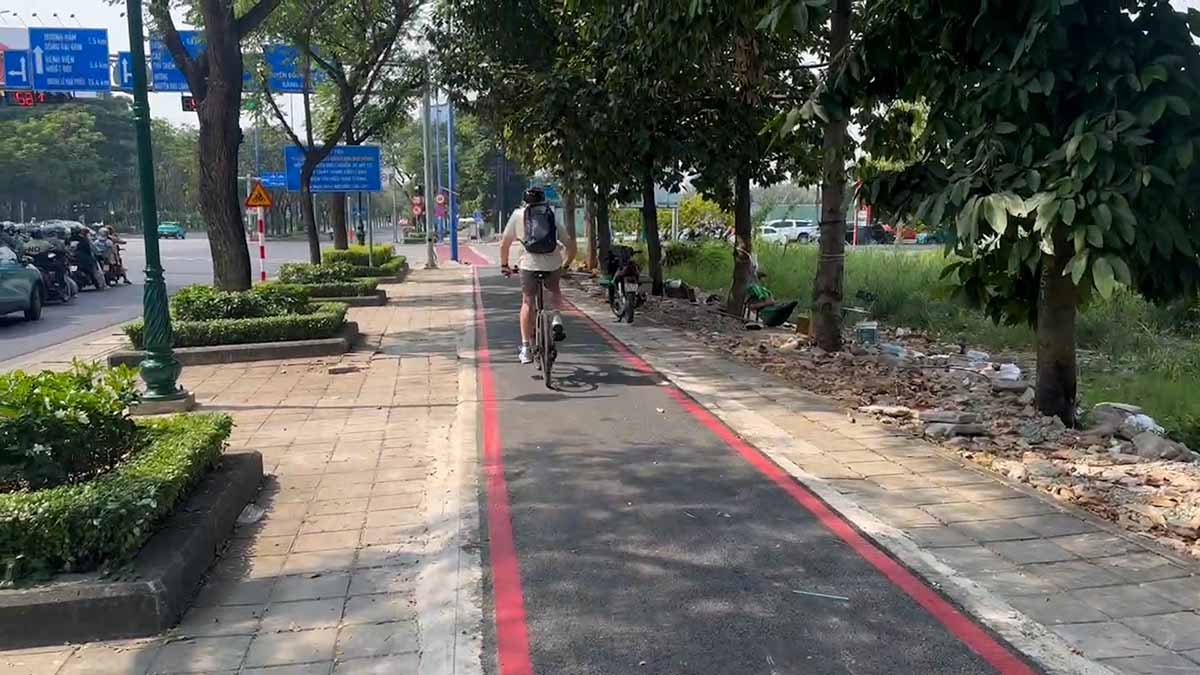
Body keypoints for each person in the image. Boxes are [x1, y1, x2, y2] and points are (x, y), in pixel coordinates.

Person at [499, 187, 576, 364]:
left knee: (527, 301)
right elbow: (570, 244)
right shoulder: (550, 214)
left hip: (528, 264)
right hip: (552, 263)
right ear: (543, 200)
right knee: (554, 290)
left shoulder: (518, 215)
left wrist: (504, 265)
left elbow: (504, 244)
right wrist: (566, 264)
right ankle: (556, 319)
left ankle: (526, 348)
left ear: (525, 201)